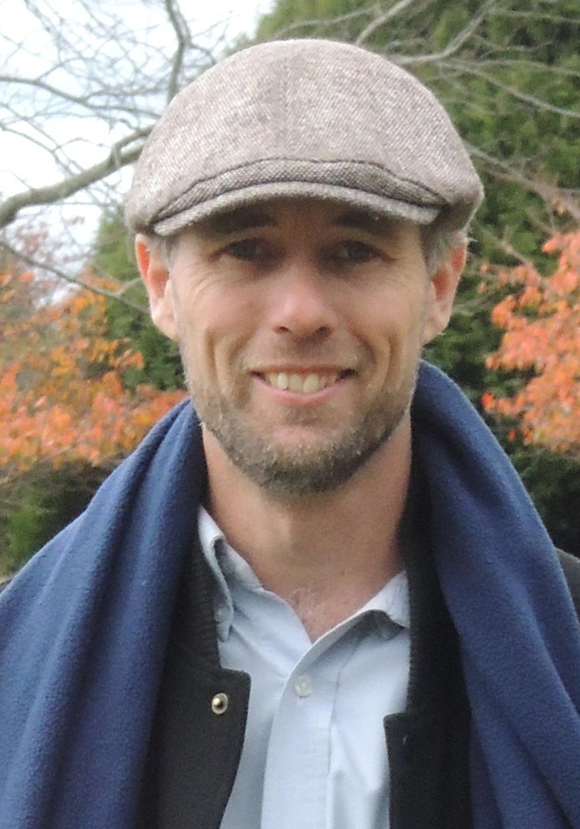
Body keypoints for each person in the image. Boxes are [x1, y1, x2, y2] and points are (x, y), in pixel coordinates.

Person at [1, 38, 580, 829]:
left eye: (355, 251)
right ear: (162, 285)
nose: (300, 311)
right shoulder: (21, 659)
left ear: (440, 285)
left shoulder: (566, 650)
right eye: (245, 250)